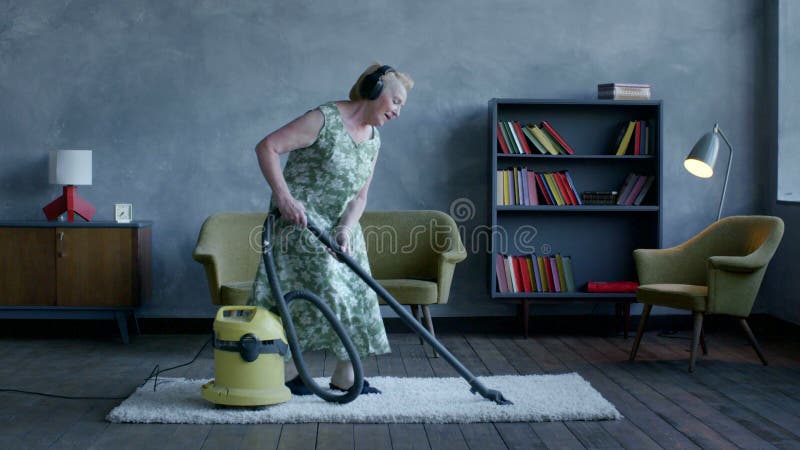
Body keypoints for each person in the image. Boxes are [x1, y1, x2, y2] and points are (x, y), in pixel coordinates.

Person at [249, 63, 413, 395]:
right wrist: (284, 198)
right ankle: (289, 372)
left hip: (342, 230)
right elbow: (267, 147)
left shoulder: (373, 140)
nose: (398, 111)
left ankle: (346, 377)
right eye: (395, 101)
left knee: (360, 295)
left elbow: (361, 196)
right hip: (300, 224)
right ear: (375, 89)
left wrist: (346, 229)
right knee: (323, 292)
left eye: (402, 106)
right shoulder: (324, 119)